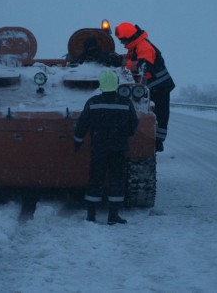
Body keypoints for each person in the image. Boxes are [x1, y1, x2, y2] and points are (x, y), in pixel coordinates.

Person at [74, 69, 138, 224]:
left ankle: (91, 214)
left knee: (95, 178)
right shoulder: (125, 103)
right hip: (118, 148)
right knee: (117, 179)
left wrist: (78, 140)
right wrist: (122, 136)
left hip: (99, 148)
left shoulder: (93, 102)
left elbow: (82, 124)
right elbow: (133, 125)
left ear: (101, 85)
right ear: (116, 85)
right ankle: (113, 215)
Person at [114, 22, 175, 152]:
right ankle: (154, 141)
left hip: (160, 87)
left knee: (160, 115)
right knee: (157, 114)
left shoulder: (144, 47)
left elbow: (143, 65)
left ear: (129, 37)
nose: (122, 44)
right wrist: (118, 59)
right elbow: (133, 59)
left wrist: (121, 63)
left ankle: (157, 142)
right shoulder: (137, 46)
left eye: (122, 41)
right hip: (154, 87)